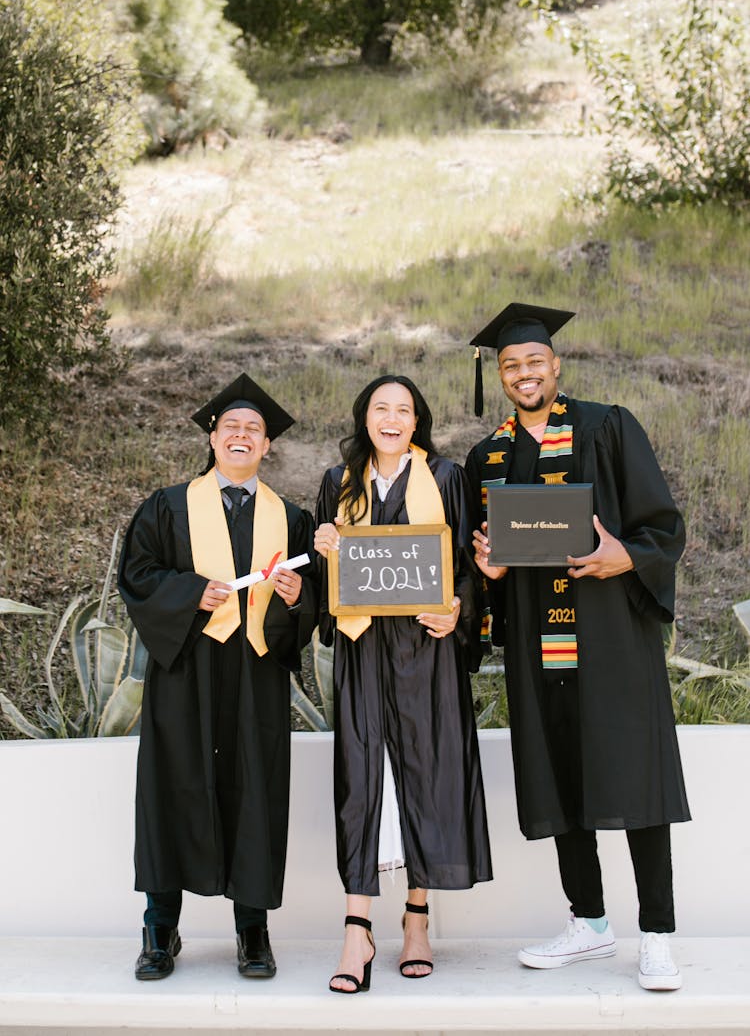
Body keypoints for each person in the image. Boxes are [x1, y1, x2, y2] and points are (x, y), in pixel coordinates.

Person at [466, 303, 690, 992]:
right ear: (499, 376)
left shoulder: (606, 426)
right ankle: (589, 923)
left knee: (636, 780)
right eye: (511, 365)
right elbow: (490, 560)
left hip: (612, 637)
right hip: (539, 641)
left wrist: (627, 556)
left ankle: (657, 936)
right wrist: (492, 571)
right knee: (564, 776)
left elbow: (663, 524)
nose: (524, 373)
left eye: (534, 361)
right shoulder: (488, 457)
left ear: (555, 364)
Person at [118, 373, 317, 981]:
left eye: (253, 429)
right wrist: (187, 594)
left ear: (266, 447)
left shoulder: (291, 518)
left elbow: (313, 603)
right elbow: (139, 575)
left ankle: (252, 930)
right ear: (213, 437)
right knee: (172, 786)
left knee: (254, 789)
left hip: (255, 669)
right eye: (230, 426)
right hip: (186, 670)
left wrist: (293, 595)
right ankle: (160, 929)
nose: (241, 435)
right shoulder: (168, 505)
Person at [315, 374, 492, 994]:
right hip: (364, 654)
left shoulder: (444, 478)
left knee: (425, 771)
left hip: (427, 651)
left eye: (405, 410)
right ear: (364, 417)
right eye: (381, 408)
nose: (392, 418)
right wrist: (324, 544)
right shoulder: (337, 486)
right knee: (362, 781)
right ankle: (356, 928)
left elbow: (469, 567)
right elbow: (323, 588)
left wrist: (458, 610)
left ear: (418, 422)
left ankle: (417, 918)